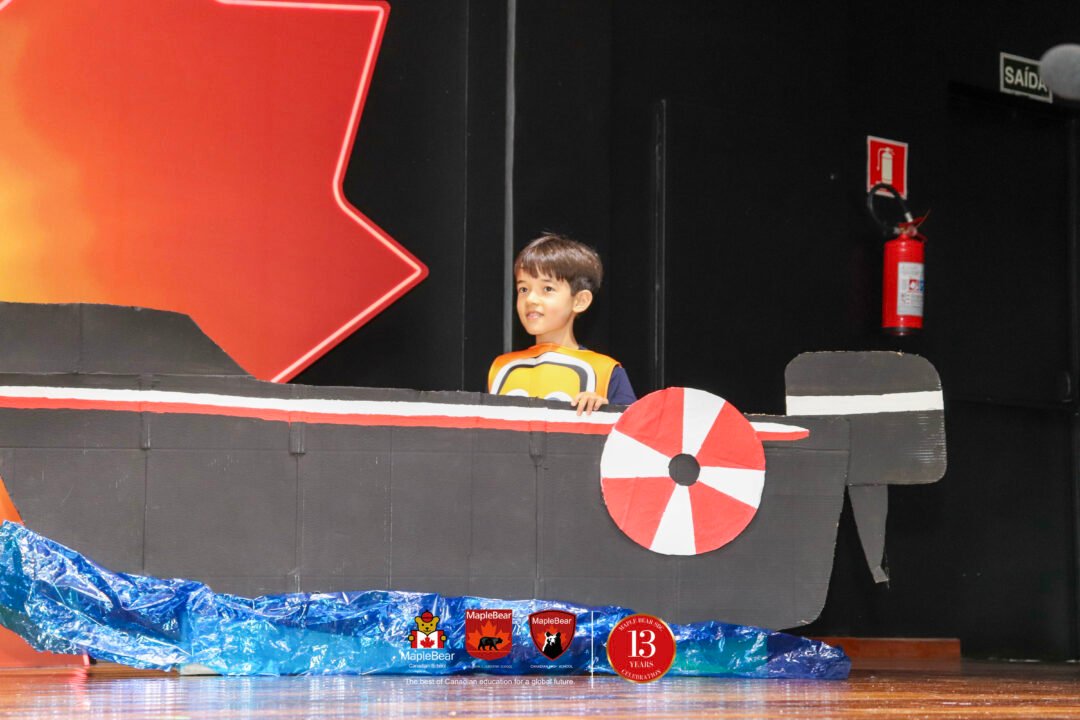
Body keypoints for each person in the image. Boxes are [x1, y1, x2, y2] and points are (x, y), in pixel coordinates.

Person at [488, 234, 636, 414]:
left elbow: (631, 427)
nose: (531, 299)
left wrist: (603, 410)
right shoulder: (501, 368)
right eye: (523, 289)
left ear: (580, 301)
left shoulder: (605, 370)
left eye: (547, 289)